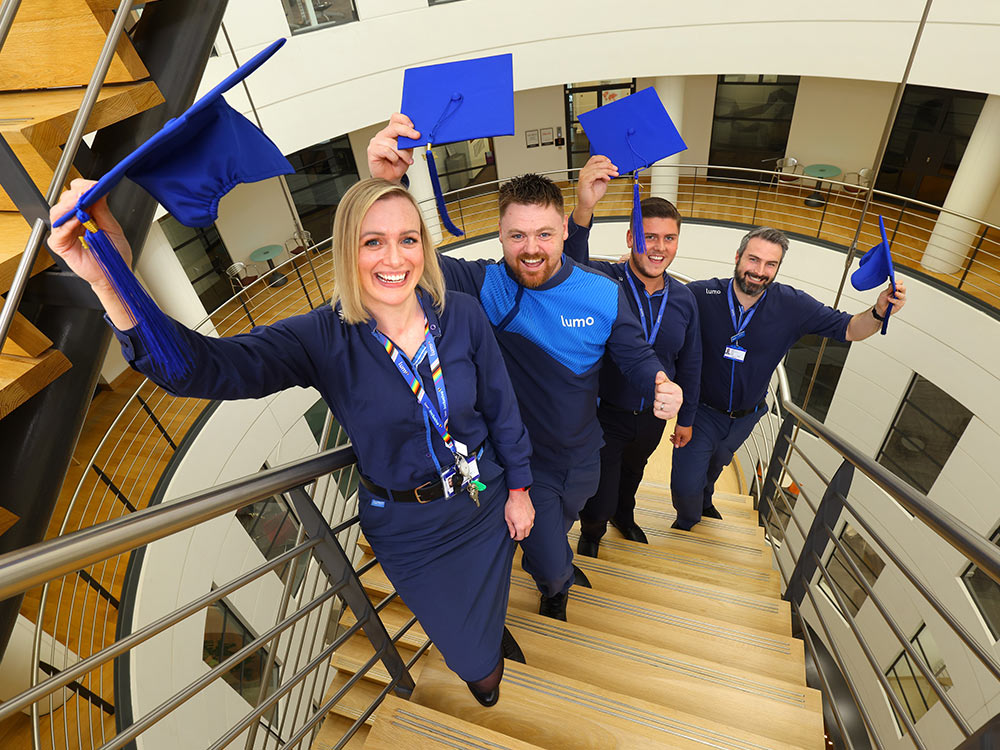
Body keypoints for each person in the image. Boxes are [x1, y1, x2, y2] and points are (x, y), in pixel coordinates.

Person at [49, 177, 536, 708]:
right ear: (349, 249)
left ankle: (490, 631)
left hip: (482, 497)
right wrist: (110, 280)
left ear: (425, 247)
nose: (394, 257)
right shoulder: (323, 337)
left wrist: (519, 488)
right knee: (474, 664)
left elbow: (501, 409)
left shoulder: (462, 314)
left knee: (490, 593)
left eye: (408, 239)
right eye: (373, 241)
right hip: (409, 530)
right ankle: (483, 664)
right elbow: (199, 370)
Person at [367, 114, 684, 622]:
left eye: (543, 234)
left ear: (565, 230)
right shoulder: (487, 286)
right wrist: (387, 186)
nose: (531, 249)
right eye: (516, 236)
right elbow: (412, 257)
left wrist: (661, 381)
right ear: (499, 234)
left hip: (583, 456)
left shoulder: (602, 292)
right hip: (522, 461)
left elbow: (634, 352)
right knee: (546, 546)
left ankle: (552, 564)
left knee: (560, 526)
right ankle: (555, 585)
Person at [673, 225, 908, 530]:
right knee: (684, 483)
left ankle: (705, 502)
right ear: (738, 257)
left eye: (770, 264)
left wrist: (877, 312)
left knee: (715, 465)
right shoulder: (702, 294)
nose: (759, 271)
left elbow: (850, 328)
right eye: (753, 260)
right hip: (701, 412)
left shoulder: (792, 305)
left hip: (746, 416)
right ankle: (687, 523)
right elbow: (662, 301)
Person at [562, 155, 702, 557]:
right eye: (649, 236)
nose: (659, 247)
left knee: (633, 474)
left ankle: (626, 515)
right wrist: (584, 208)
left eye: (668, 238)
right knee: (600, 490)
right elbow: (570, 264)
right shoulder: (605, 279)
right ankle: (592, 531)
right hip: (606, 413)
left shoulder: (684, 299)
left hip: (652, 420)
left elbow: (689, 364)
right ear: (630, 239)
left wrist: (686, 419)